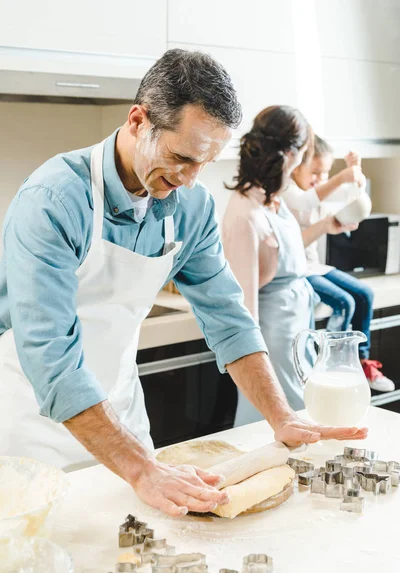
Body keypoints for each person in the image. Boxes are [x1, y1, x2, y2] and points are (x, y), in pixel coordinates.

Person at [0, 53, 366, 518]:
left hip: (123, 420)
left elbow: (230, 318)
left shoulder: (190, 206)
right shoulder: (53, 201)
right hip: (33, 432)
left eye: (206, 162)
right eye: (181, 158)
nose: (190, 179)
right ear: (138, 121)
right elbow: (51, 360)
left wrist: (283, 416)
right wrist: (141, 471)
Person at [223, 106, 358, 424]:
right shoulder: (245, 213)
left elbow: (295, 245)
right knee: (289, 417)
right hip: (276, 338)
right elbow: (244, 309)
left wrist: (327, 225)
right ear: (289, 155)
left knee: (307, 414)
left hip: (297, 326)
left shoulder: (275, 198)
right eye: (303, 154)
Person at [282, 135, 394, 393]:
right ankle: (330, 366)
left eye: (325, 174)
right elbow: (294, 240)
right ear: (297, 166)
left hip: (315, 266)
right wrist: (340, 180)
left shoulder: (314, 191)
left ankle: (363, 362)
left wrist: (357, 172)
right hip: (297, 271)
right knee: (345, 302)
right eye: (316, 172)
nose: (320, 179)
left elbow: (354, 196)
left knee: (365, 293)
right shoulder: (289, 194)